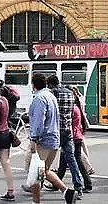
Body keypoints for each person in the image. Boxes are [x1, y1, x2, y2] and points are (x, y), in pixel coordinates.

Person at [26, 73, 77, 204]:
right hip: (54, 138)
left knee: (36, 172)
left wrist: (33, 139)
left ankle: (36, 201)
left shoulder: (39, 98)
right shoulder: (51, 96)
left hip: (43, 140)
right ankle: (67, 192)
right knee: (44, 171)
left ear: (34, 85)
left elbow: (38, 121)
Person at [47, 75, 84, 197]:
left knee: (44, 162)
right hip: (68, 131)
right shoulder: (69, 93)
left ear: (51, 84)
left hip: (56, 131)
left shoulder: (53, 93)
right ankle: (78, 187)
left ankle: (37, 183)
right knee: (71, 159)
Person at [56, 87, 93, 194]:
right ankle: (56, 183)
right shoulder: (77, 108)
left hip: (73, 137)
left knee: (75, 161)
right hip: (76, 136)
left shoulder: (73, 109)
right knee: (63, 164)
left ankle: (86, 183)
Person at [70, 86, 94, 175]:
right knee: (81, 146)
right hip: (79, 128)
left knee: (78, 150)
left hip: (75, 131)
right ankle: (87, 164)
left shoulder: (74, 105)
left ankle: (88, 167)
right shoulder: (79, 101)